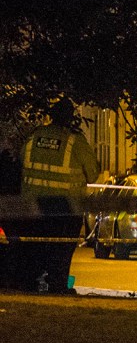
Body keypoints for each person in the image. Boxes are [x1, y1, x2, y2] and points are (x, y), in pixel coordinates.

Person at [9, 99, 101, 293]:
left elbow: (20, 164)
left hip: (33, 206)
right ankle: (57, 287)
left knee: (34, 248)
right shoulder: (75, 141)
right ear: (70, 118)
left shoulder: (34, 137)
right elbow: (93, 173)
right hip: (65, 209)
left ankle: (29, 285)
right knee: (61, 250)